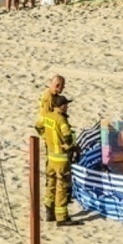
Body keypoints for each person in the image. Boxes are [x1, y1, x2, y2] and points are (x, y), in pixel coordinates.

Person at [36, 95, 80, 226]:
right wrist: (71, 146)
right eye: (66, 104)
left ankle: (49, 212)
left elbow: (38, 127)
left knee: (51, 184)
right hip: (61, 159)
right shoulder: (61, 120)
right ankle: (62, 218)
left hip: (51, 157)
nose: (68, 107)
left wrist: (46, 138)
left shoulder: (47, 116)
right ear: (61, 106)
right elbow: (67, 137)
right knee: (62, 187)